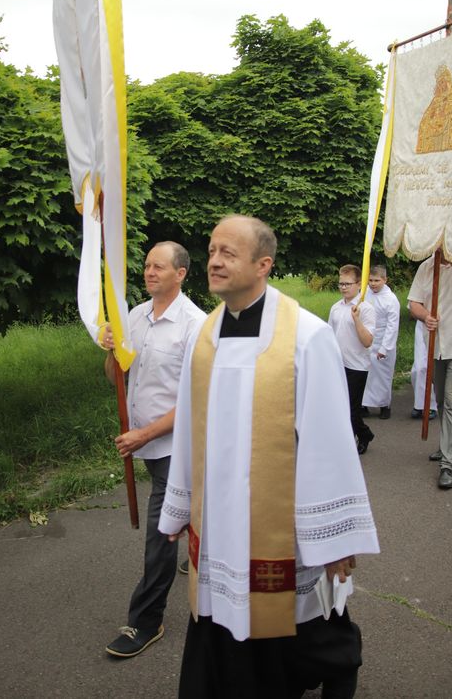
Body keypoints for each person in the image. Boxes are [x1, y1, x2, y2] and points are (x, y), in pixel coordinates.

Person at [159, 216, 379, 699]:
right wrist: (180, 506)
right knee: (222, 620)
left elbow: (328, 441)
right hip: (220, 520)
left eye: (228, 253)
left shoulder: (306, 336)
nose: (215, 261)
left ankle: (337, 667)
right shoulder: (204, 337)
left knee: (305, 626)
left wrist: (333, 538)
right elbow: (191, 427)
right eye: (211, 251)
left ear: (263, 265)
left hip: (281, 521)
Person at [103, 241, 205, 657]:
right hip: (144, 444)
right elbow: (117, 377)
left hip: (176, 447)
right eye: (147, 265)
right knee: (192, 514)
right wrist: (110, 351)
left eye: (158, 266)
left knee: (161, 531)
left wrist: (145, 434)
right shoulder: (134, 316)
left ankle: (146, 621)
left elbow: (197, 399)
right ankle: (202, 548)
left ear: (180, 274)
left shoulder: (195, 325)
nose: (149, 272)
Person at [408, 250, 452, 489]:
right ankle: (448, 445)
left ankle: (448, 464)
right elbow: (414, 303)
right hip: (435, 346)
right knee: (440, 400)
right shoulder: (427, 267)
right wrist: (425, 316)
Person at [328, 265, 376, 454]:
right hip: (338, 364)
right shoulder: (336, 308)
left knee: (352, 410)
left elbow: (367, 341)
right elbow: (329, 336)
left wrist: (356, 319)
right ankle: (358, 436)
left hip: (357, 365)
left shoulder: (366, 309)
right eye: (341, 283)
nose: (343, 287)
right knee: (338, 407)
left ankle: (361, 436)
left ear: (358, 284)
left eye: (347, 284)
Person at [361, 265, 400, 419]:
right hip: (367, 338)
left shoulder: (391, 299)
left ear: (385, 280)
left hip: (383, 340)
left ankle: (384, 406)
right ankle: (364, 404)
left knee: (382, 376)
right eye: (370, 280)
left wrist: (385, 348)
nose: (373, 284)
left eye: (376, 280)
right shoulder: (364, 293)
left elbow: (392, 326)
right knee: (366, 374)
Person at [410, 318, 438, 423]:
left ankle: (431, 405)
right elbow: (413, 310)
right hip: (423, 323)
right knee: (419, 368)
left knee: (433, 366)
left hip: (442, 324)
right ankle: (419, 404)